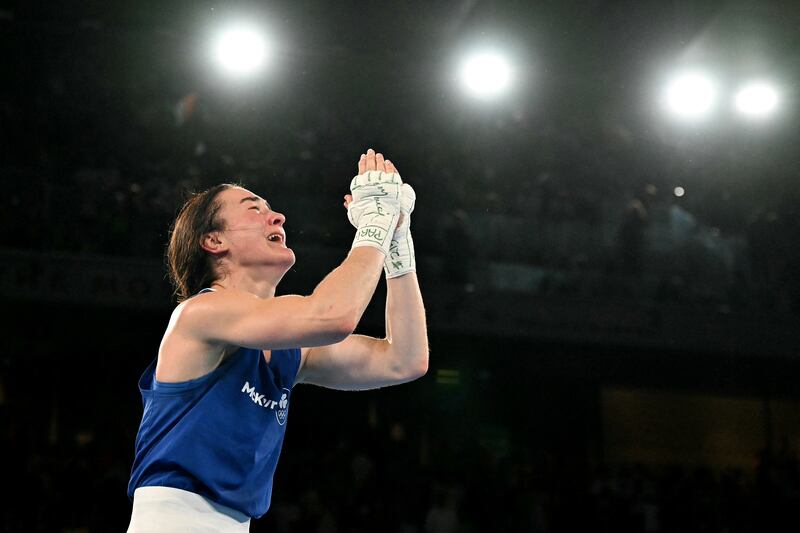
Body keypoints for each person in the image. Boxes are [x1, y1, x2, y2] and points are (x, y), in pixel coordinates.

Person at [126, 148, 428, 531]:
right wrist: (374, 223)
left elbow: (404, 359)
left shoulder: (292, 352)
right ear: (214, 241)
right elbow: (334, 315)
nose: (278, 216)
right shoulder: (199, 315)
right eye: (253, 209)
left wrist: (398, 241)